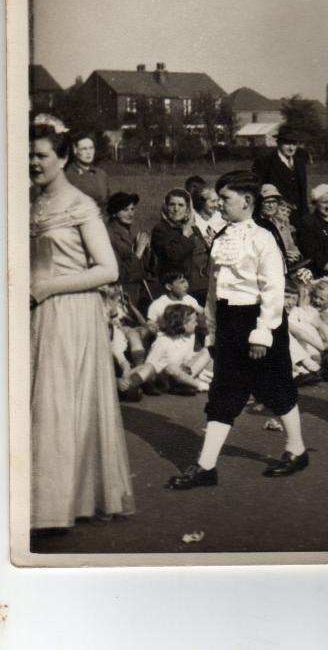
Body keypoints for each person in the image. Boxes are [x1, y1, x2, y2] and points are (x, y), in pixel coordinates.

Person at [166, 170, 308, 489]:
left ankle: (296, 449)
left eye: (225, 200)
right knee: (225, 391)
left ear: (246, 201)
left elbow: (272, 290)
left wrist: (262, 334)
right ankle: (206, 467)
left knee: (274, 387)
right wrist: (213, 329)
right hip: (230, 321)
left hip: (259, 320)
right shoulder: (221, 238)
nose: (219, 206)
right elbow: (216, 287)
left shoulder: (262, 238)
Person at [29, 123, 134, 532]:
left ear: (64, 158)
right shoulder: (29, 202)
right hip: (34, 312)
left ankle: (55, 506)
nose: (33, 162)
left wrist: (47, 287)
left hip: (71, 312)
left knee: (57, 401)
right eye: (29, 155)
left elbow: (108, 269)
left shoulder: (81, 205)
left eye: (41, 155)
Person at [251, 126, 309, 223]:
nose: (291, 148)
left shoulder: (300, 163)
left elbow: (303, 192)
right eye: (287, 143)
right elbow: (257, 191)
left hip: (298, 216)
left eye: (294, 144)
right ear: (278, 143)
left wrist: (306, 216)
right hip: (274, 216)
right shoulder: (264, 162)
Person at [105, 191, 151, 310]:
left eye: (132, 209)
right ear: (114, 213)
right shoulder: (109, 235)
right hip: (122, 294)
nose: (131, 214)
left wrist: (148, 250)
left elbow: (148, 268)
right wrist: (139, 252)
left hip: (139, 292)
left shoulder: (130, 231)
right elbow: (119, 273)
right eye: (125, 210)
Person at [150, 188, 196, 293]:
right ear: (166, 207)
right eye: (172, 205)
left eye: (181, 205)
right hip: (171, 287)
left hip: (194, 285)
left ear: (187, 209)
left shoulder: (190, 227)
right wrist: (184, 236)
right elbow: (173, 255)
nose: (176, 209)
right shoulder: (160, 230)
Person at [298, 183, 328, 277]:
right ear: (316, 203)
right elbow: (312, 252)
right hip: (324, 270)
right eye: (324, 202)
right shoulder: (308, 222)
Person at [64, 131, 111, 210]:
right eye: (84, 149)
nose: (88, 152)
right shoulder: (67, 176)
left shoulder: (101, 174)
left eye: (91, 148)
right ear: (75, 150)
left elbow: (108, 201)